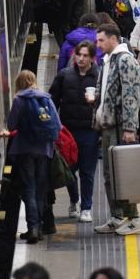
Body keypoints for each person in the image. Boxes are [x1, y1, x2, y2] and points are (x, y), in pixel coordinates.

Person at [93, 23, 140, 236]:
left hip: (121, 126)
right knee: (109, 173)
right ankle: (117, 215)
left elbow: (131, 95)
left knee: (123, 172)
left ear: (113, 39)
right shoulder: (108, 61)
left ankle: (134, 217)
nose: (98, 44)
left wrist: (130, 127)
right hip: (108, 125)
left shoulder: (125, 61)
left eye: (101, 40)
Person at [6, 71, 60, 244]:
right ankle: (41, 226)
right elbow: (57, 125)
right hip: (44, 150)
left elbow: (11, 124)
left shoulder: (18, 100)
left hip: (24, 150)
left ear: (19, 83)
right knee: (40, 189)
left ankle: (33, 229)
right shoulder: (46, 98)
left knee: (29, 188)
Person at [49, 41, 101, 222]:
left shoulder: (99, 76)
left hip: (90, 131)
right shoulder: (65, 76)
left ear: (92, 58)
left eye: (86, 55)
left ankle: (86, 207)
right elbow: (52, 100)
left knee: (87, 171)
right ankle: (74, 200)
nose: (81, 58)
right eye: (79, 54)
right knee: (70, 170)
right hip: (68, 131)